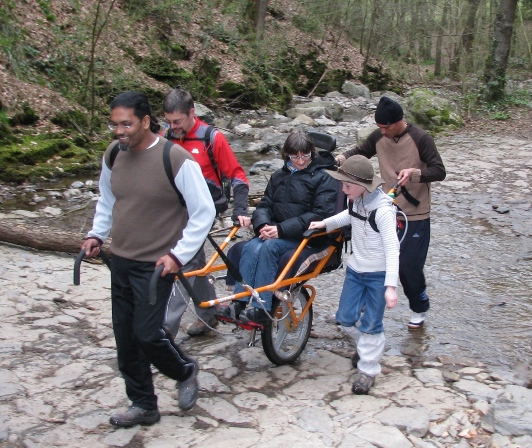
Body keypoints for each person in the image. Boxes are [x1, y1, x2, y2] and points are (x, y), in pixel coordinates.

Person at [80, 91, 216, 428]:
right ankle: (143, 404)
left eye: (126, 124)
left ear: (144, 121)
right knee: (125, 337)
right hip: (121, 260)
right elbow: (108, 199)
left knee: (147, 333)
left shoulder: (176, 159)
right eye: (114, 124)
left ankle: (184, 370)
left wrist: (178, 255)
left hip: (157, 266)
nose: (119, 131)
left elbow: (204, 212)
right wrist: (97, 234)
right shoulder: (114, 154)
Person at [335, 96, 446, 329]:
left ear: (399, 121)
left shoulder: (421, 138)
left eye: (386, 127)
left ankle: (419, 306)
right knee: (374, 258)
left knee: (408, 266)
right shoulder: (379, 136)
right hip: (384, 210)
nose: (382, 131)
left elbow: (439, 170)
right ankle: (365, 302)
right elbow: (361, 152)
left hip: (415, 213)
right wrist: (342, 159)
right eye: (379, 127)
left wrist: (414, 172)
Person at [221, 130, 337, 324]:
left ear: (312, 153)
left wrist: (281, 230)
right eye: (295, 156)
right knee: (251, 246)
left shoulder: (323, 177)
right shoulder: (278, 176)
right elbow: (265, 204)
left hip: (303, 236)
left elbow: (320, 213)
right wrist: (263, 225)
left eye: (305, 156)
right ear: (287, 155)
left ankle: (262, 308)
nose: (300, 161)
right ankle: (239, 303)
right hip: (276, 231)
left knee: (268, 248)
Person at [162, 88, 251, 337]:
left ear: (192, 113)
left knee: (185, 263)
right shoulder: (166, 136)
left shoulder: (212, 138)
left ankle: (164, 331)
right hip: (172, 210)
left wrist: (240, 208)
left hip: (204, 210)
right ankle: (208, 312)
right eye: (168, 121)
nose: (173, 127)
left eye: (177, 121)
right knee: (196, 262)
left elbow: (237, 175)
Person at [309, 155, 399, 395]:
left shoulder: (383, 212)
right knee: (345, 317)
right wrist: (324, 224)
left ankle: (368, 370)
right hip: (355, 270)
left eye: (346, 185)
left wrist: (391, 286)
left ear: (362, 186)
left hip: (378, 275)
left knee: (371, 323)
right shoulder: (356, 200)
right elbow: (348, 216)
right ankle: (367, 346)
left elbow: (393, 250)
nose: (342, 189)